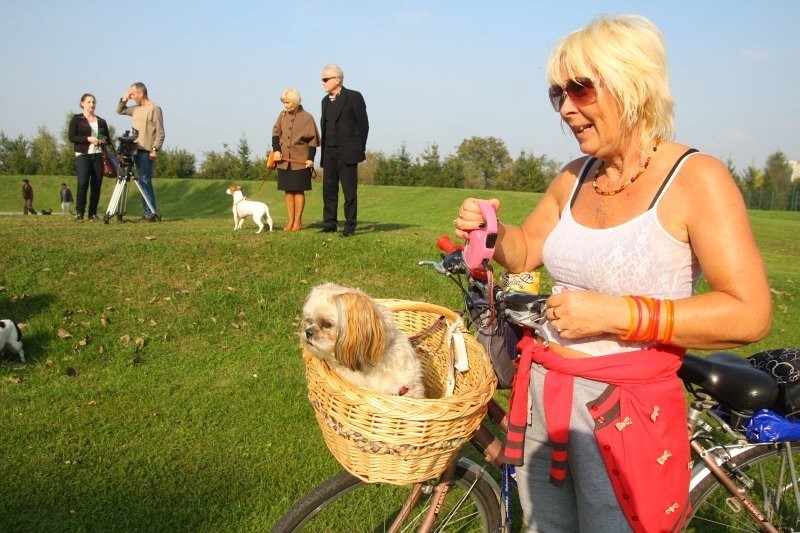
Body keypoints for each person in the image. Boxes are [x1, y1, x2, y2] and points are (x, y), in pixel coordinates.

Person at [453, 14, 772, 532]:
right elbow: (529, 246)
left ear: (633, 85)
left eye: (580, 89)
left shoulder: (697, 179)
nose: (565, 107)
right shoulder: (574, 176)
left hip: (626, 415)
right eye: (557, 92)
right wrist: (489, 231)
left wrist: (619, 314)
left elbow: (749, 312)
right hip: (544, 395)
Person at [319, 64, 369, 237]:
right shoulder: (325, 101)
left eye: (326, 79)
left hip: (347, 153)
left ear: (338, 79)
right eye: (322, 79)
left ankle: (349, 225)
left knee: (349, 192)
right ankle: (330, 223)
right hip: (329, 153)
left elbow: (364, 125)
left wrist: (358, 148)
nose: (322, 82)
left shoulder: (354, 97)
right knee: (329, 190)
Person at [272, 87, 320, 232]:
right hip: (284, 161)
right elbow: (275, 133)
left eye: (287, 102)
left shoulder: (308, 118)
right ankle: (290, 221)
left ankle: (298, 222)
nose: (285, 105)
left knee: (298, 191)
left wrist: (310, 159)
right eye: (284, 103)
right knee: (288, 191)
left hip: (301, 162)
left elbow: (313, 141)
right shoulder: (282, 116)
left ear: (294, 100)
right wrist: (276, 151)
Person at [116, 82, 165, 222]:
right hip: (133, 150)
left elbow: (160, 132)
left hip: (146, 151)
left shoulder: (154, 108)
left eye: (133, 94)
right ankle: (146, 212)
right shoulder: (136, 109)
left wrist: (155, 149)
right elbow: (120, 110)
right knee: (135, 181)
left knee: (144, 181)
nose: (132, 97)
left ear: (141, 93)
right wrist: (124, 98)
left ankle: (150, 214)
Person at [69, 93, 111, 220]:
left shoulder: (101, 121)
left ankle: (92, 213)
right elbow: (72, 137)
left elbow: (108, 139)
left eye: (93, 102)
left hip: (98, 155)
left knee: (96, 184)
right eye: (88, 102)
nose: (91, 104)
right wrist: (88, 139)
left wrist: (102, 140)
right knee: (82, 183)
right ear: (82, 103)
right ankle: (80, 211)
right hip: (82, 155)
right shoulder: (77, 119)